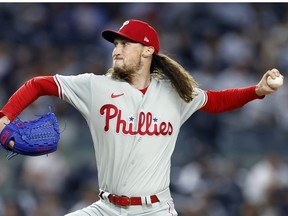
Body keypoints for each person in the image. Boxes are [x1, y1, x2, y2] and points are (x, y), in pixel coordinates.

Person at [0, 19, 283, 216]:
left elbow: (216, 100)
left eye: (125, 44)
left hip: (155, 209)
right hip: (106, 208)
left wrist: (257, 91)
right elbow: (39, 84)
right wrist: (5, 116)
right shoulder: (95, 86)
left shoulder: (175, 93)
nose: (116, 50)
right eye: (115, 44)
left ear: (147, 50)